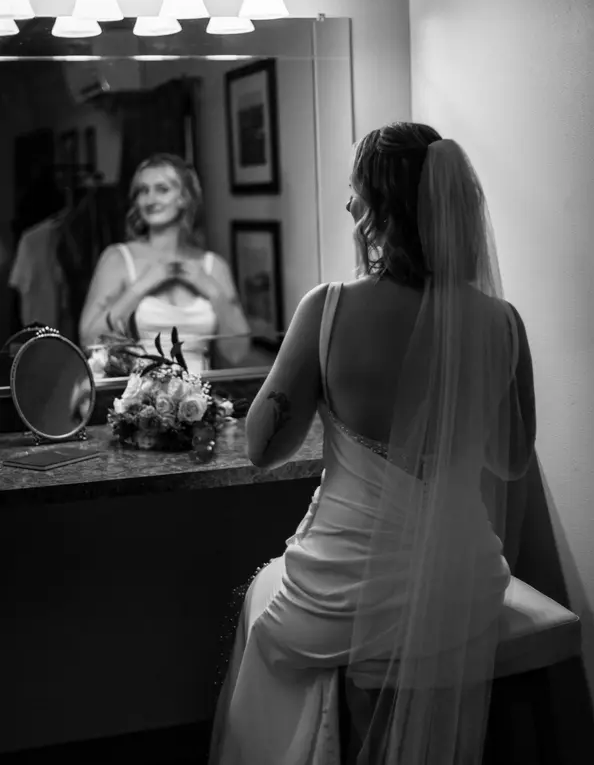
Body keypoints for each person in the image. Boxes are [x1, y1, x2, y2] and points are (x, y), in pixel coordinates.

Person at [208, 122, 537, 765]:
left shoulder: (328, 308)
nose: (348, 204)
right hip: (464, 586)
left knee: (262, 601)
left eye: (356, 192)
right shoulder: (502, 323)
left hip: (346, 589)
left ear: (382, 210)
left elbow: (262, 450)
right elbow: (510, 458)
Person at [79, 153, 250, 374]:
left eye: (162, 189)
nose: (150, 200)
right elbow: (88, 341)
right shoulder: (117, 258)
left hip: (200, 392)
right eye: (143, 191)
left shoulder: (213, 266)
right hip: (137, 391)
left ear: (184, 198)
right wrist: (140, 287)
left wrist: (212, 290)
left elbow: (237, 353)